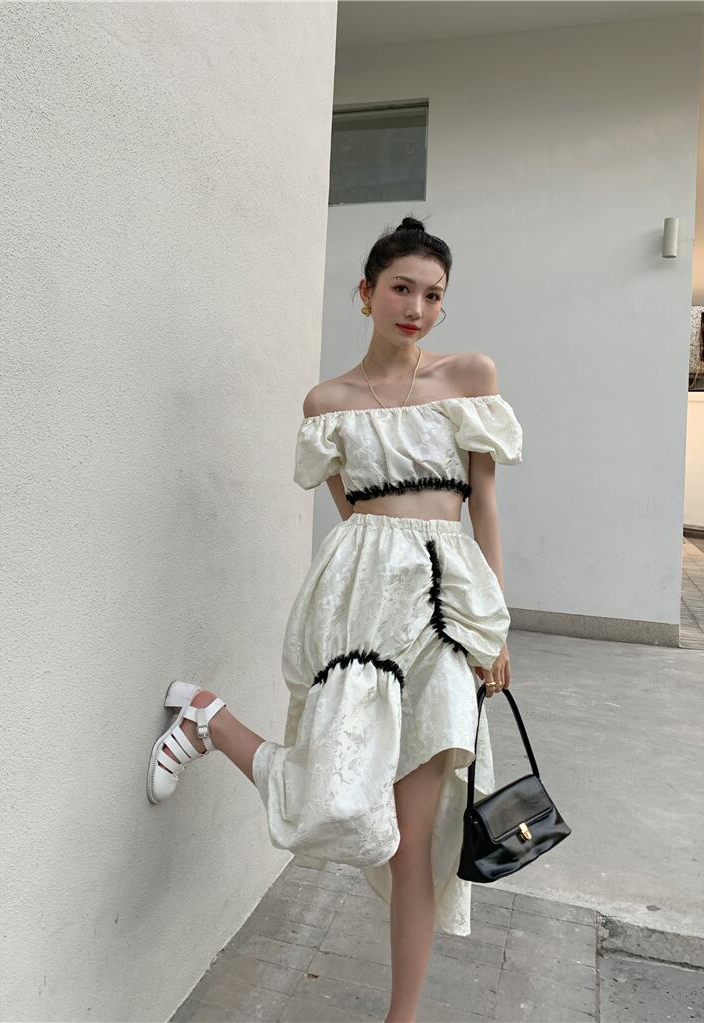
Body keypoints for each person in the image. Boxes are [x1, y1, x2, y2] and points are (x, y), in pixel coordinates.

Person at [146, 216, 523, 1023]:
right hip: (361, 613)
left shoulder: (469, 375)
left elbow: (485, 507)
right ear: (365, 292)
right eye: (401, 289)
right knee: (334, 792)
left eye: (433, 295)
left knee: (412, 838)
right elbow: (355, 520)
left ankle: (401, 1018)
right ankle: (211, 720)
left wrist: (493, 628)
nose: (416, 308)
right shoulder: (328, 404)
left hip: (447, 617)